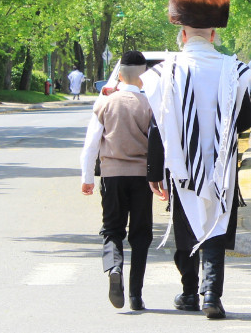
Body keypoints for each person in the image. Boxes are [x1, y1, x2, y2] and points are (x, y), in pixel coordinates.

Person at [144, 0, 251, 320]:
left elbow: (157, 127)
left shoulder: (164, 73)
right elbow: (246, 120)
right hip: (222, 165)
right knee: (216, 225)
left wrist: (153, 171)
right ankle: (211, 297)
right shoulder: (235, 69)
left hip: (181, 166)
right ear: (215, 34)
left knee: (186, 226)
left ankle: (190, 291)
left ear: (183, 33)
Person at [79, 51, 154, 311]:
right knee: (141, 234)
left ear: (120, 75)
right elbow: (160, 145)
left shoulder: (104, 103)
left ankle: (114, 267)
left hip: (112, 175)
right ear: (143, 78)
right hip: (142, 177)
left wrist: (88, 177)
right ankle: (135, 295)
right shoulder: (150, 104)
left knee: (112, 229)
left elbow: (91, 144)